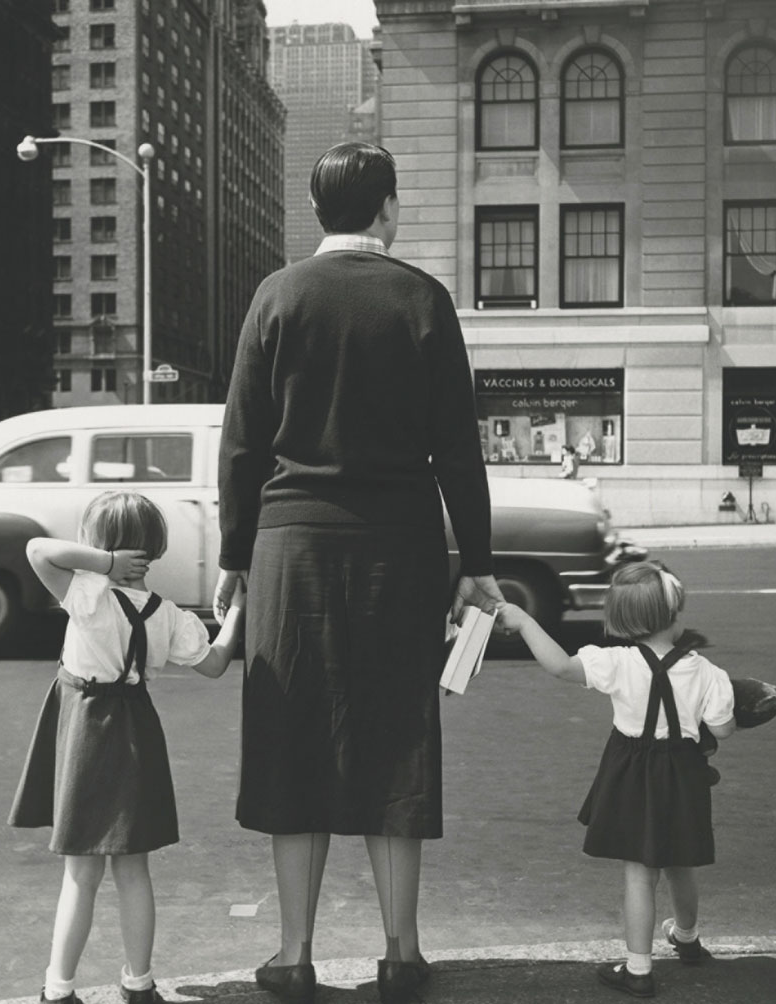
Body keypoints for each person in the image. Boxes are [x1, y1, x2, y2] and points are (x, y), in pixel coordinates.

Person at [213, 142, 503, 1004]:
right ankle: (400, 953)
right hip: (399, 548)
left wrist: (234, 559)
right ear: (387, 208)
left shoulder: (278, 295)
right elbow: (459, 446)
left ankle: (294, 955)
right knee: (395, 740)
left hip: (290, 546)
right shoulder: (422, 300)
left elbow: (240, 444)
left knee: (292, 736)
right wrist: (477, 565)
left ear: (316, 212)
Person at [8, 490, 245, 1004]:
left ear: (100, 546)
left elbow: (36, 549)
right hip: (137, 729)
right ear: (154, 548)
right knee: (134, 870)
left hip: (86, 729)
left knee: (81, 872)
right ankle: (138, 984)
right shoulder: (169, 616)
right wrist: (237, 611)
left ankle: (59, 988)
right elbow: (214, 663)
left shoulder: (87, 593)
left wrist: (104, 563)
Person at [494, 561, 736, 999]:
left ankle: (639, 968)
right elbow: (722, 729)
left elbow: (562, 667)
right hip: (683, 774)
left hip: (632, 772)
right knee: (681, 862)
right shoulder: (706, 671)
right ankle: (687, 937)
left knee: (640, 873)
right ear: (673, 615)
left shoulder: (617, 662)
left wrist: (526, 621)